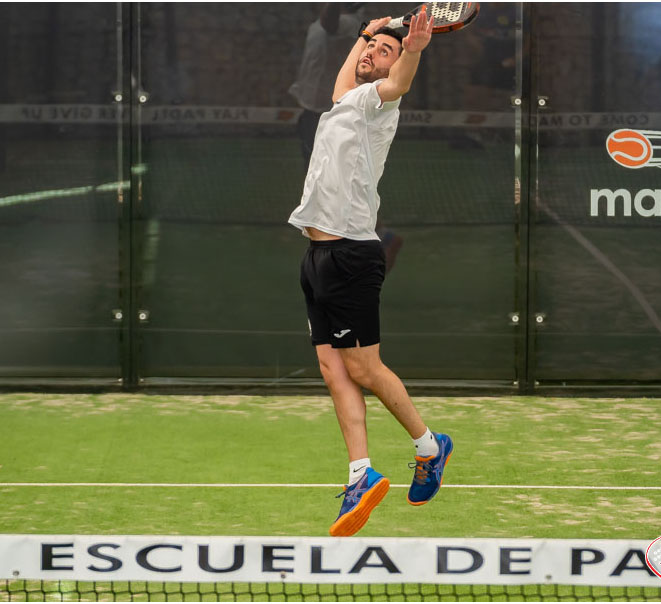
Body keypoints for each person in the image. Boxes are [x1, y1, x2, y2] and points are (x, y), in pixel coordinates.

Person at [287, 7, 453, 538]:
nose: (371, 55)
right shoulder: (346, 102)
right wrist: (369, 32)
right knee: (332, 369)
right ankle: (361, 474)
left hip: (351, 256)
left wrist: (411, 49)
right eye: (370, 49)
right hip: (317, 257)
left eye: (383, 53)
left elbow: (399, 81)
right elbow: (344, 77)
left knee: (363, 368)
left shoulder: (380, 103)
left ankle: (430, 447)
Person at [290, 3, 404, 274]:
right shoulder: (323, 25)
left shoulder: (347, 22)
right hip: (318, 112)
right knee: (326, 183)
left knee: (340, 186)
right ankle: (376, 238)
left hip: (338, 114)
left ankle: (376, 241)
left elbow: (330, 21)